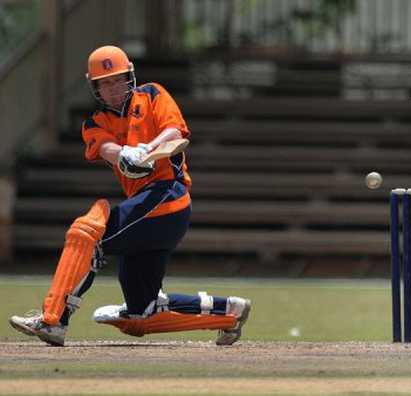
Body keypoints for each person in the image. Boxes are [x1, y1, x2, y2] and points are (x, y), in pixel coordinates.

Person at [9, 45, 251, 346]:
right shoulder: (95, 122)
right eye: (104, 83)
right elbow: (105, 148)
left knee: (87, 235)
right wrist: (123, 153)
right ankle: (228, 311)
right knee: (141, 313)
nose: (112, 88)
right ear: (95, 87)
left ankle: (53, 320)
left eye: (117, 79)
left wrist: (147, 150)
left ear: (129, 76)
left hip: (168, 197)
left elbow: (175, 133)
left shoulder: (151, 94)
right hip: (148, 214)